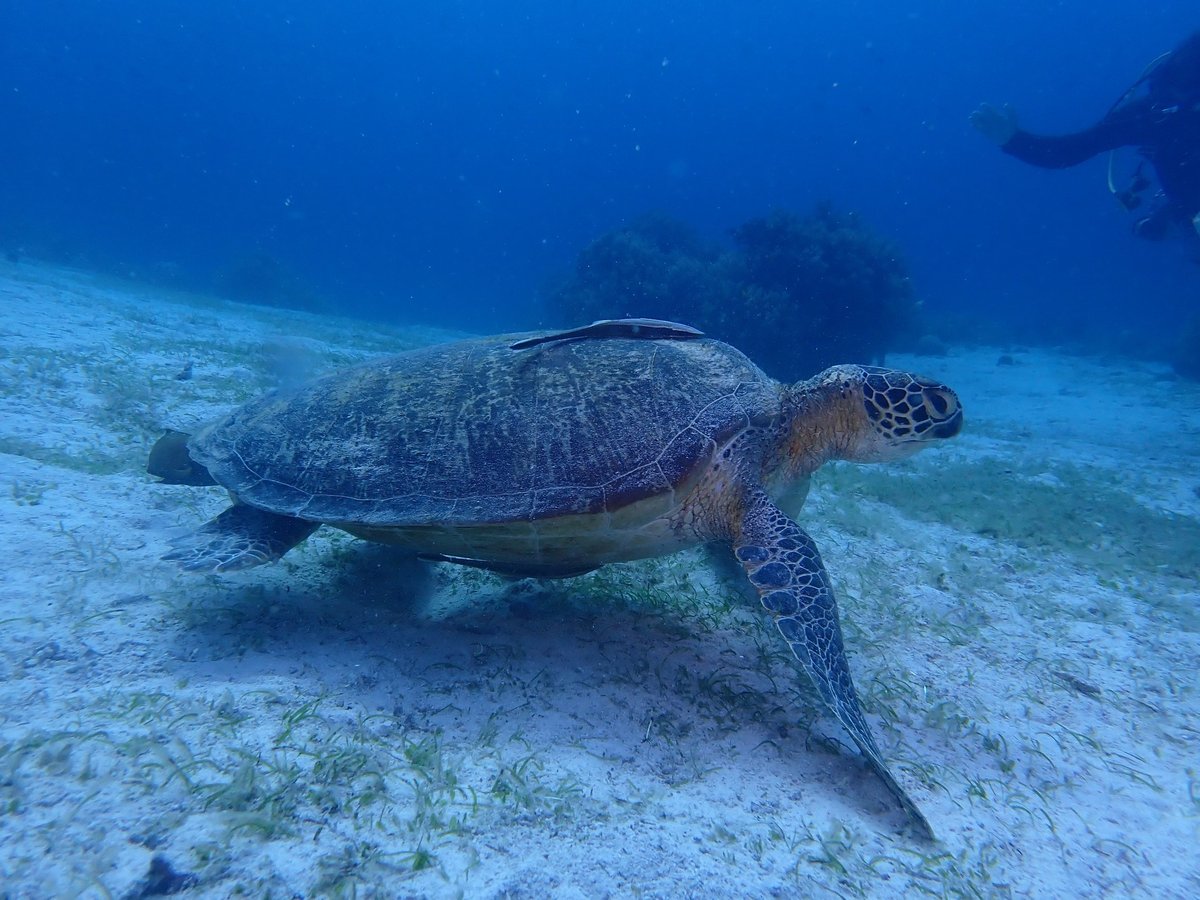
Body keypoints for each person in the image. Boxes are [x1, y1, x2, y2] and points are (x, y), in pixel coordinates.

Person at [971, 30, 1200, 250]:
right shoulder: (1156, 115)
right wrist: (1013, 140)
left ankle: (1167, 220)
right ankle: (1168, 220)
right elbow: (1071, 150)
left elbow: (1071, 151)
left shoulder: (1160, 114)